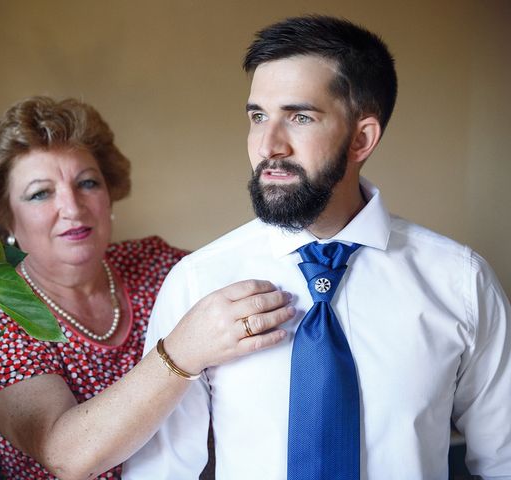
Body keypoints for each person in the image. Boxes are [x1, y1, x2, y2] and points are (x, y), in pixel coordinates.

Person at [123, 15, 511, 480]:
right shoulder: (200, 281)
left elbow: (503, 461)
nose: (268, 145)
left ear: (361, 138)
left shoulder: (460, 282)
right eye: (258, 116)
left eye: (300, 117)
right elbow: (162, 473)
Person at [0, 96, 294, 480]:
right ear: (8, 222)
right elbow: (67, 455)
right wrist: (182, 351)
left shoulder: (156, 264)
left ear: (109, 195)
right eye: (40, 193)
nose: (72, 207)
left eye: (86, 183)